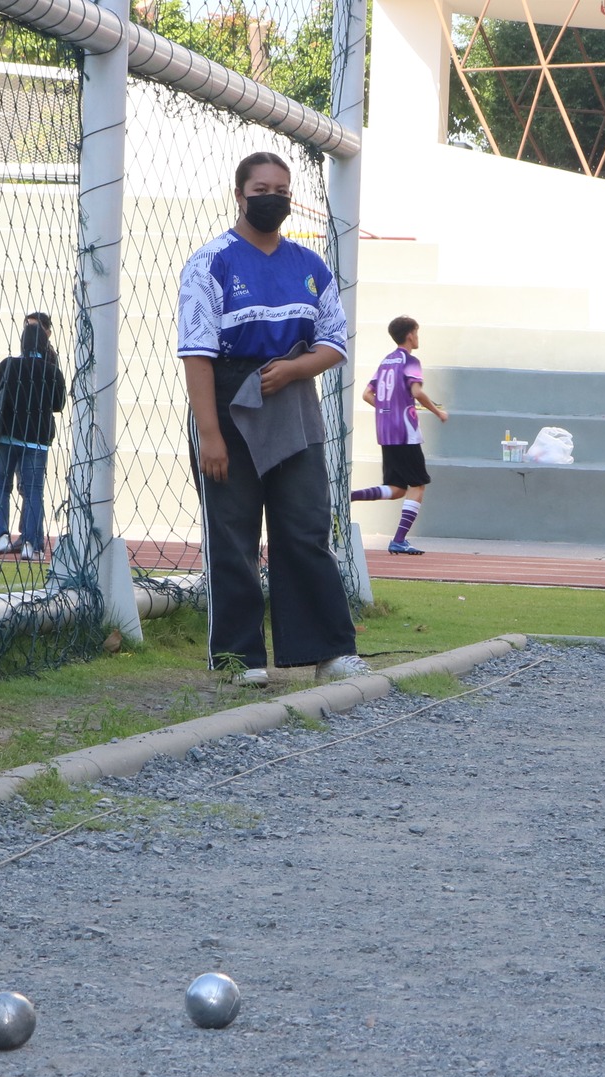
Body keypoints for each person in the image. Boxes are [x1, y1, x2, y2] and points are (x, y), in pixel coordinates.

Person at [177, 151, 368, 687]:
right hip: (227, 403)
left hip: (295, 403)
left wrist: (294, 370)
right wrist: (210, 435)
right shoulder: (210, 261)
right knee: (232, 535)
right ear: (239, 194)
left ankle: (329, 653)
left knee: (305, 528)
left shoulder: (310, 265)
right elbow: (196, 354)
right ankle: (239, 659)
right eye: (261, 190)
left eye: (282, 191)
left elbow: (333, 342)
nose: (272, 199)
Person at [351, 314, 447, 555]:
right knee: (418, 485)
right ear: (410, 334)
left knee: (396, 488)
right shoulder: (410, 361)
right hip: (405, 431)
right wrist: (437, 411)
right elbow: (416, 391)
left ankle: (348, 496)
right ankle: (399, 540)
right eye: (417, 332)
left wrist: (387, 409)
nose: (418, 337)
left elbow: (367, 394)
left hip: (385, 431)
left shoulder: (386, 361)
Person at [0, 319, 66, 559]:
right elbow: (58, 404)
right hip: (37, 441)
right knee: (33, 492)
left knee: (2, 486)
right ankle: (31, 544)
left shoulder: (9, 364)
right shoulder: (52, 371)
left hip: (7, 438)